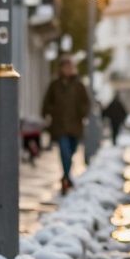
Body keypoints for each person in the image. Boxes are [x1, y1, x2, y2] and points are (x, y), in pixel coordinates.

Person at [41, 55, 90, 194]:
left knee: (71, 151)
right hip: (60, 125)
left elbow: (86, 103)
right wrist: (49, 112)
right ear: (61, 68)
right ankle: (66, 179)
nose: (68, 69)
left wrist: (83, 113)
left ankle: (66, 176)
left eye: (71, 67)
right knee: (64, 152)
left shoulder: (79, 85)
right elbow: (46, 102)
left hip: (75, 126)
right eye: (66, 67)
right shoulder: (54, 85)